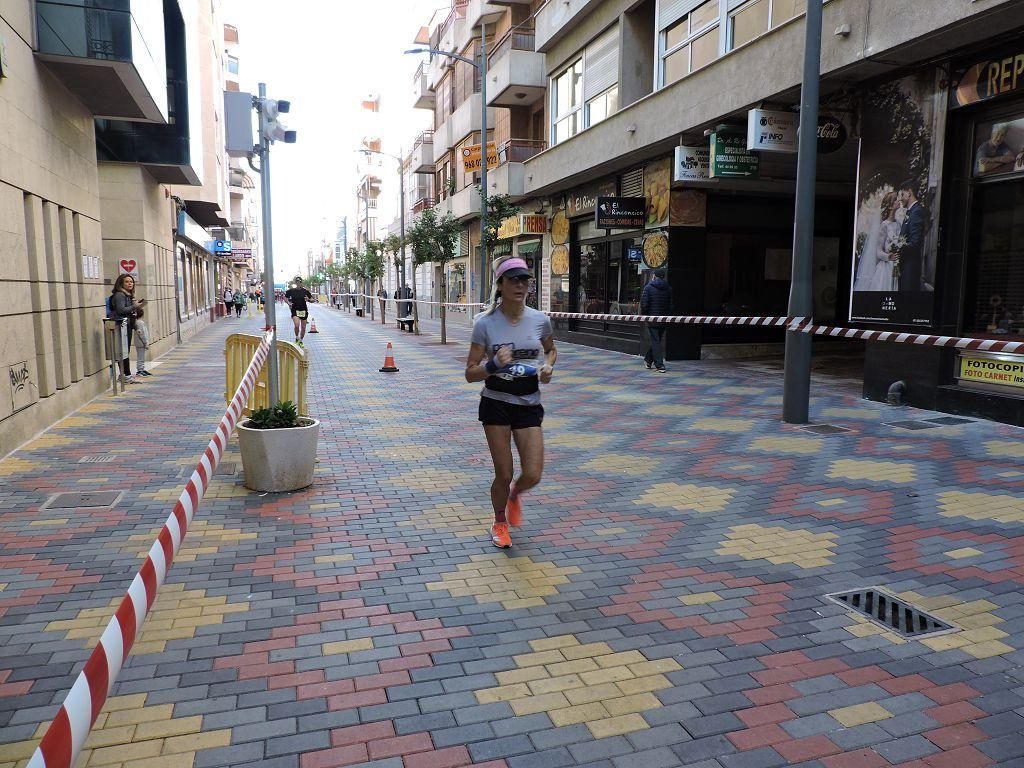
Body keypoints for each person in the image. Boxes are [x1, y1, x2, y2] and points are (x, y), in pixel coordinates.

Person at [465, 257, 556, 549]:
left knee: (533, 473)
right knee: (503, 473)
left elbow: (551, 350)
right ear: (501, 285)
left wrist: (548, 367)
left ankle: (515, 495)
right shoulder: (485, 324)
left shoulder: (540, 320)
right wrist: (492, 364)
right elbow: (470, 373)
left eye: (525, 280)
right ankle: (500, 522)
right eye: (514, 279)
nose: (520, 285)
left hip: (529, 403)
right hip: (496, 404)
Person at [853, 191, 901, 292]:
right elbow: (878, 252)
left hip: (897, 267)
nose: (899, 200)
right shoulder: (884, 225)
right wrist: (889, 256)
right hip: (886, 269)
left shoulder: (899, 224)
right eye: (896, 199)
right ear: (891, 206)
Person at [110, 274, 145, 384]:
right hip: (121, 326)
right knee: (123, 352)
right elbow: (121, 310)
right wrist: (135, 306)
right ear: (121, 283)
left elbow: (130, 313)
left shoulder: (128, 295)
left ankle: (126, 375)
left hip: (127, 326)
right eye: (127, 282)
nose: (130, 283)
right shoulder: (120, 295)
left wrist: (135, 326)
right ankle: (126, 375)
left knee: (125, 351)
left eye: (131, 281)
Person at [640, 268, 672, 372]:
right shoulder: (669, 288)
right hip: (664, 319)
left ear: (654, 276)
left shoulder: (648, 287)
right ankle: (648, 360)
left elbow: (644, 304)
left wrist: (646, 315)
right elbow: (671, 305)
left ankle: (659, 365)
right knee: (657, 340)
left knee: (656, 341)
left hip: (652, 318)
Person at [896, 180, 926, 292]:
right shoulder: (911, 211)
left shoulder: (916, 211)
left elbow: (915, 242)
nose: (900, 198)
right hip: (906, 267)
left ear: (909, 192)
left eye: (902, 194)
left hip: (910, 268)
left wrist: (898, 246)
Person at [285, 278, 314, 346]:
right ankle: (297, 337)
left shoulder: (305, 291)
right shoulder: (291, 291)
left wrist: (308, 300)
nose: (298, 283)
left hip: (303, 310)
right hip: (295, 310)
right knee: (297, 325)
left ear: (301, 283)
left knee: (303, 328)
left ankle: (300, 341)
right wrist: (289, 303)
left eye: (299, 282)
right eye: (297, 282)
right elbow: (285, 297)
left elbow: (313, 299)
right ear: (295, 283)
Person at [134, 307, 152, 377]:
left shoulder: (137, 322)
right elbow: (142, 334)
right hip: (141, 343)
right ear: (142, 315)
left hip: (139, 343)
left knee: (141, 356)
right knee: (140, 357)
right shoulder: (140, 323)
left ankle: (142, 369)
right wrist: (145, 342)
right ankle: (140, 370)